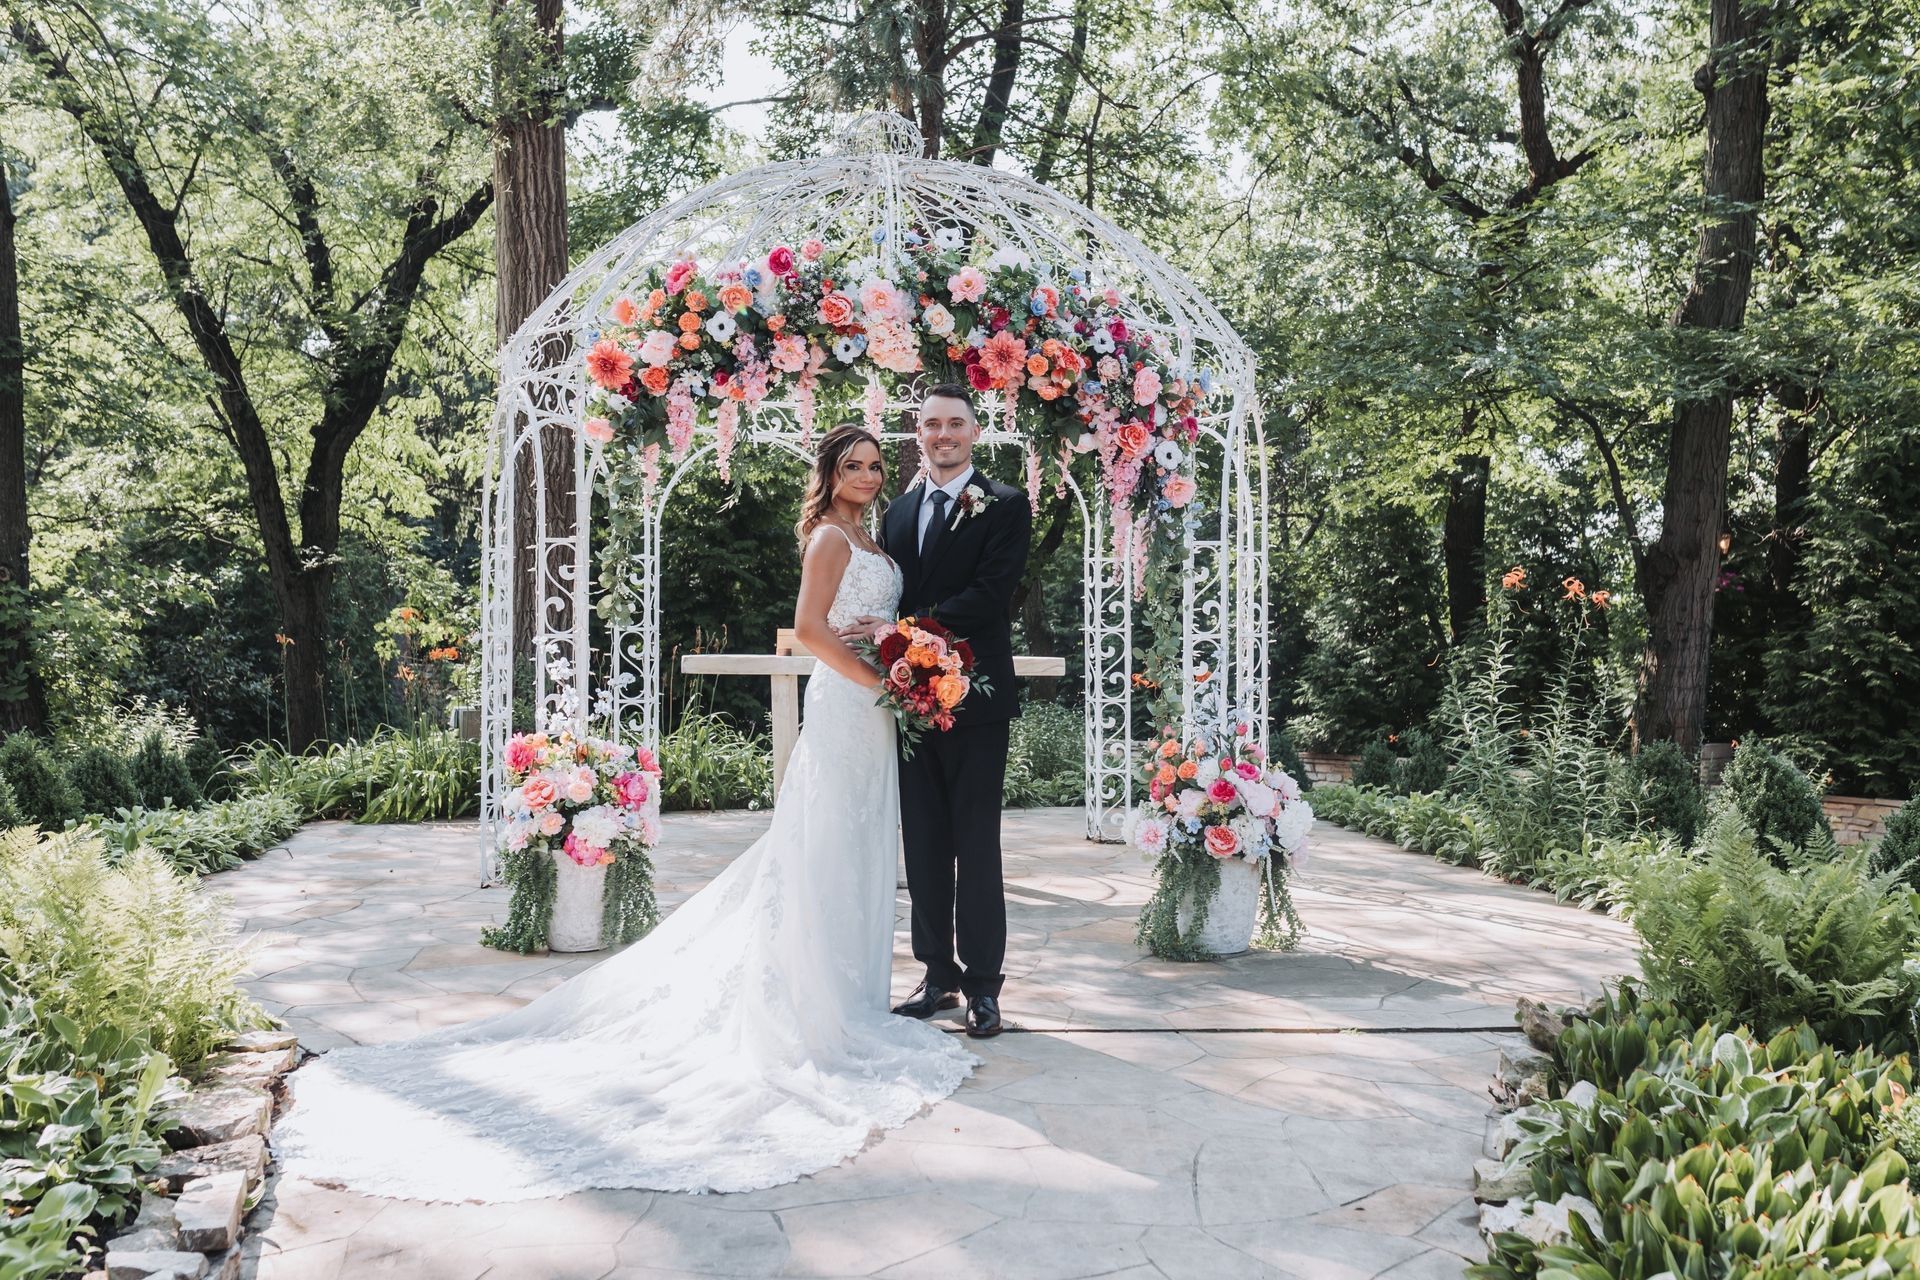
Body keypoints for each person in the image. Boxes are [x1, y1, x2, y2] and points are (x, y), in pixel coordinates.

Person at [269, 425, 977, 1202]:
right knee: (825, 846)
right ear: (830, 473)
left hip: (876, 710)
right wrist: (877, 679)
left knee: (861, 847)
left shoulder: (870, 536)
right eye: (854, 466)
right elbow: (810, 632)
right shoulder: (827, 542)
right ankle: (817, 1003)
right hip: (849, 704)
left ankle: (851, 994)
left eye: (876, 466)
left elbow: (869, 626)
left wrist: (899, 657)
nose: (869, 476)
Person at [861, 383, 1032, 1039]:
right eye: (931, 424)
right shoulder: (898, 514)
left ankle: (985, 989)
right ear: (919, 433)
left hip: (977, 702)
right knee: (925, 845)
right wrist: (896, 647)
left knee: (976, 848)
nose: (942, 434)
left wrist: (898, 630)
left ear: (974, 432)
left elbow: (989, 596)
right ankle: (938, 977)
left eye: (954, 423)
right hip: (910, 703)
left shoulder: (1005, 504)